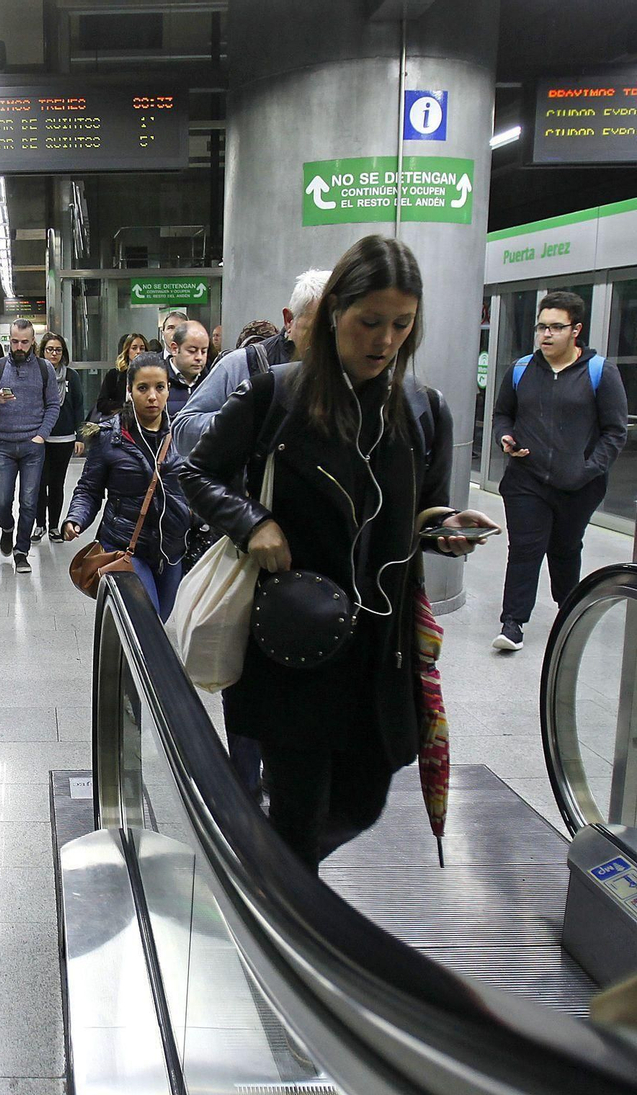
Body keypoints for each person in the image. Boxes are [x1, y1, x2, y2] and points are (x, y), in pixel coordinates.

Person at [180, 234, 499, 873]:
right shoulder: (278, 394)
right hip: (295, 637)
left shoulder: (422, 409)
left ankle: (272, 873)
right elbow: (193, 471)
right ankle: (289, 921)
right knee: (298, 810)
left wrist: (446, 528)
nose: (384, 341)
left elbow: (424, 509)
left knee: (364, 799)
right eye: (369, 322)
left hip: (381, 649)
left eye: (401, 325)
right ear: (334, 315)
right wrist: (252, 522)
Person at [492, 290, 629, 651]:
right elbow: (503, 413)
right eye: (541, 327)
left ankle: (568, 610)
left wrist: (589, 469)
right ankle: (513, 623)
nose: (546, 335)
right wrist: (504, 436)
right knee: (524, 548)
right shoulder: (522, 369)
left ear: (576, 330)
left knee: (566, 548)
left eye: (556, 327)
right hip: (526, 479)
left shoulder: (601, 372)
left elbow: (615, 430)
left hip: (578, 485)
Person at [62, 352, 189, 619]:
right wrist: (75, 519)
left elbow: (195, 486)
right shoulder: (109, 436)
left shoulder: (182, 435)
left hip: (171, 549)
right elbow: (89, 488)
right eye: (143, 388)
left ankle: (121, 659)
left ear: (168, 389)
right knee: (148, 620)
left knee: (159, 621)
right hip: (125, 546)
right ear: (130, 391)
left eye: (160, 387)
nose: (152, 396)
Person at [173, 269, 330, 460]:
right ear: (289, 320)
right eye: (316, 330)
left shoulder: (351, 371)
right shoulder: (242, 363)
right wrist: (243, 419)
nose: (327, 341)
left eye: (335, 330)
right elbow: (182, 431)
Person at [0, 319, 60, 574]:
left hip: (32, 447)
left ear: (33, 341)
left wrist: (41, 435)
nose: (20, 346)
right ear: (9, 341)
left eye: (25, 341)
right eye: (15, 341)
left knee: (29, 501)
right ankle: (7, 528)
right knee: (2, 500)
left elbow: (53, 405)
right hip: (2, 445)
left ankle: (21, 551)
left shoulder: (45, 369)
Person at [34, 332, 85, 542]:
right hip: (40, 439)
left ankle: (54, 526)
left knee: (57, 484)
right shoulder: (36, 374)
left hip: (64, 439)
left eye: (57, 350)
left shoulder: (71, 376)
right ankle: (39, 525)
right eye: (49, 349)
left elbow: (79, 407)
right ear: (42, 351)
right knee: (39, 483)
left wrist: (80, 436)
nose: (53, 353)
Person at [164, 319, 211, 420]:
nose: (199, 357)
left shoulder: (212, 382)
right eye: (192, 351)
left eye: (204, 351)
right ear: (175, 349)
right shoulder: (159, 381)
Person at [95, 332, 148, 421]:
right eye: (134, 348)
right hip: (120, 423)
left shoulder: (151, 375)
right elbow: (101, 404)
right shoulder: (114, 375)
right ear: (127, 351)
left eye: (142, 348)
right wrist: (124, 406)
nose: (138, 352)